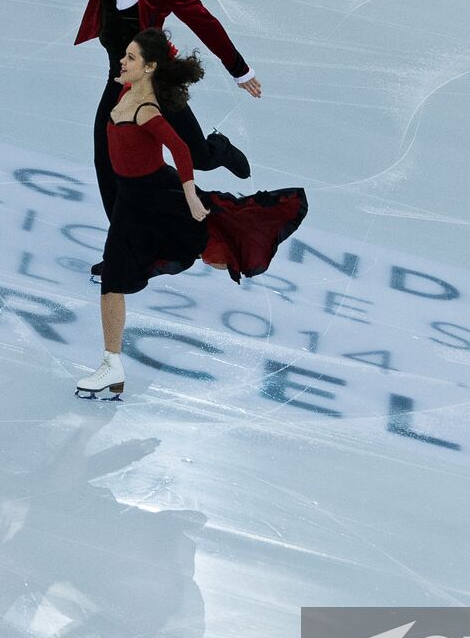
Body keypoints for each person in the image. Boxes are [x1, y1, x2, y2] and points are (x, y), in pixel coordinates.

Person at [75, 28, 306, 400]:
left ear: (149, 68)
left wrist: (190, 196)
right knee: (113, 281)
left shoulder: (147, 110)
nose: (123, 60)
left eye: (131, 57)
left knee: (217, 244)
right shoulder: (124, 90)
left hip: (159, 196)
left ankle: (229, 183)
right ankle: (111, 366)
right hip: (131, 201)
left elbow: (181, 151)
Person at [66, 0, 260, 233]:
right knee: (106, 156)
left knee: (195, 155)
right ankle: (124, 242)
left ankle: (220, 150)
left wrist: (240, 70)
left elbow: (206, 24)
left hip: (157, 82)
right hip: (120, 78)